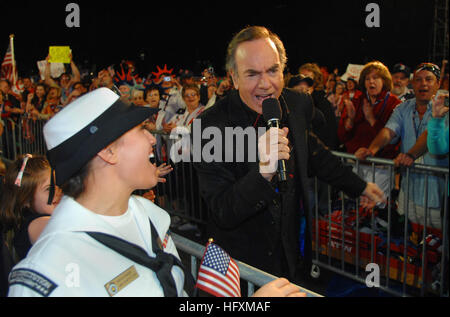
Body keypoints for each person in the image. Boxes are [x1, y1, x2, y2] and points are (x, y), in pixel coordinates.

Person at [8, 87, 303, 297]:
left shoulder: (151, 216)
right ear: (108, 151)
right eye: (140, 130)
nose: (153, 139)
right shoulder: (51, 274)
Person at [193, 26, 385, 284]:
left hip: (292, 253)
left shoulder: (297, 104)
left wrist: (359, 186)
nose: (265, 84)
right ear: (234, 78)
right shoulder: (209, 127)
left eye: (273, 70)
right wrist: (263, 173)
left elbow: (315, 153)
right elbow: (222, 211)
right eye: (252, 74)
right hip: (240, 265)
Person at [355, 63, 449, 231]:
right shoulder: (403, 107)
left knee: (436, 247)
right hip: (409, 190)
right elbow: (389, 131)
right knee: (409, 243)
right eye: (418, 80)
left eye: (429, 79)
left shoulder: (444, 109)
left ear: (438, 83)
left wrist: (411, 155)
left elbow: (429, 135)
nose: (423, 84)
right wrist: (372, 149)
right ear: (413, 83)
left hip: (437, 193)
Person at [338, 61, 402, 200]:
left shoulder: (395, 104)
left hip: (381, 167)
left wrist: (372, 119)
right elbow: (343, 136)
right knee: (352, 208)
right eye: (367, 78)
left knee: (375, 208)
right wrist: (349, 120)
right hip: (356, 164)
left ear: (384, 81)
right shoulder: (357, 101)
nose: (371, 82)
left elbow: (392, 139)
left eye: (375, 78)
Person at [0, 155, 62, 262]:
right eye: (49, 189)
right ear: (26, 200)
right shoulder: (34, 223)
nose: (57, 191)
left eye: (59, 184)